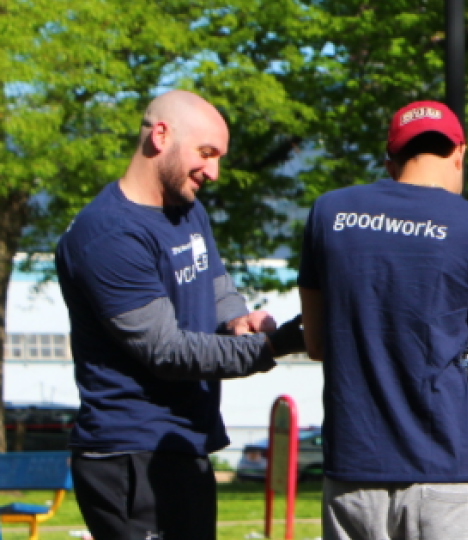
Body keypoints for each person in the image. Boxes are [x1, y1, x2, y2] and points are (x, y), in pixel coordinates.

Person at [57, 89, 298, 540]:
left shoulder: (187, 211)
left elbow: (214, 283)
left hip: (184, 441)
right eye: (206, 153)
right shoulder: (109, 235)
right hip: (131, 454)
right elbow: (165, 351)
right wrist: (273, 347)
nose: (214, 171)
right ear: (161, 136)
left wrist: (237, 320)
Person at [299, 101, 468, 540]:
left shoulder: (328, 213)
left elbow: (317, 343)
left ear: (391, 161)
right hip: (448, 468)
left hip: (354, 470)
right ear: (459, 152)